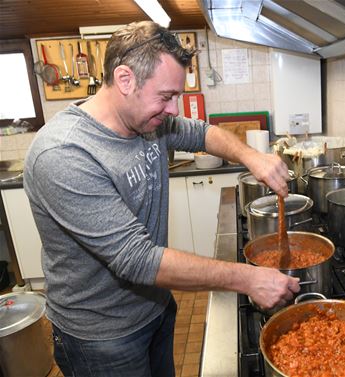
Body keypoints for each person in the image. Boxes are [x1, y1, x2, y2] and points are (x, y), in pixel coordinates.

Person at [24, 21, 300, 377]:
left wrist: (252, 157)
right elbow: (136, 259)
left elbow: (201, 133)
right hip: (103, 339)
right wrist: (248, 279)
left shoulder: (149, 121)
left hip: (154, 308)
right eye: (166, 95)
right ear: (125, 80)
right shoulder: (64, 154)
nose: (174, 109)